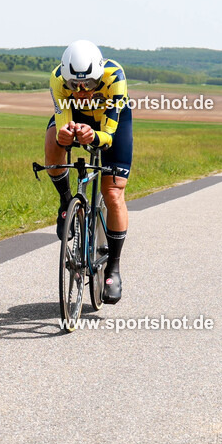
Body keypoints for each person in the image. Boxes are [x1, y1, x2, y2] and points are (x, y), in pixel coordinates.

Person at [44, 40, 132, 304]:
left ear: (99, 75)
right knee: (52, 139)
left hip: (109, 121)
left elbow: (109, 135)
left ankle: (113, 269)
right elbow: (63, 123)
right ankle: (65, 201)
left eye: (89, 85)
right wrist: (65, 135)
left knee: (113, 192)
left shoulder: (114, 76)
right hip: (77, 117)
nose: (81, 91)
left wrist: (94, 136)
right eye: (74, 86)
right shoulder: (58, 79)